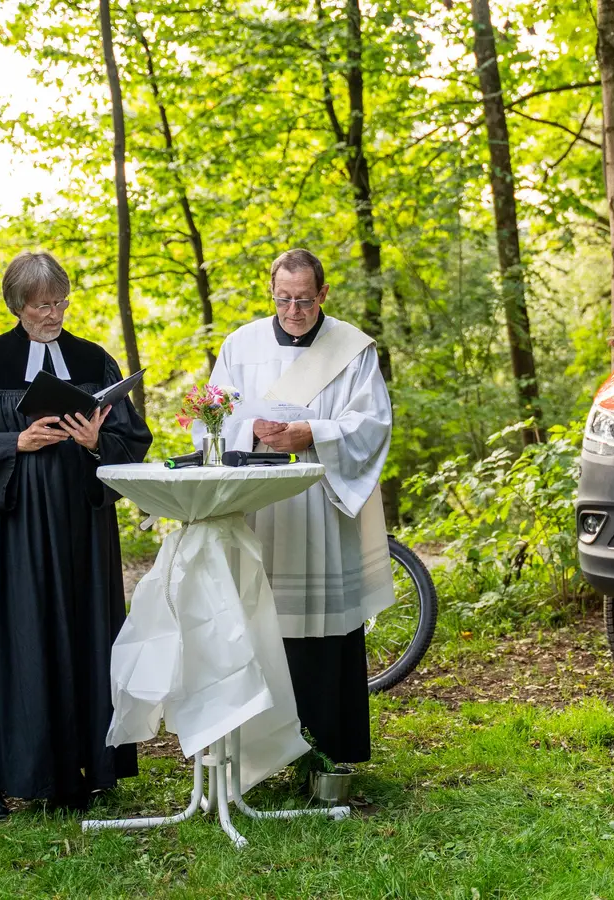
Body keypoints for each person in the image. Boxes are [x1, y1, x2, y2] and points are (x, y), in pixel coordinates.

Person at [0, 251, 153, 819]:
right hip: (13, 530)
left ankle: (86, 769)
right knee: (12, 637)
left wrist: (96, 443)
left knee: (85, 633)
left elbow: (133, 441)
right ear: (17, 306)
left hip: (82, 527)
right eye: (40, 306)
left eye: (59, 302)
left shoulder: (94, 362)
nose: (53, 315)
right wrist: (14, 442)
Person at [198, 248, 393, 766]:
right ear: (271, 291)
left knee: (324, 629)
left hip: (318, 511)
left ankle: (329, 753)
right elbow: (212, 421)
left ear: (323, 294)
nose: (293, 312)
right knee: (259, 624)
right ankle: (257, 755)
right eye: (283, 299)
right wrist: (250, 431)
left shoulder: (351, 349)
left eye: (304, 301)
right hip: (259, 509)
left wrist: (313, 433)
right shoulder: (241, 345)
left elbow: (372, 425)